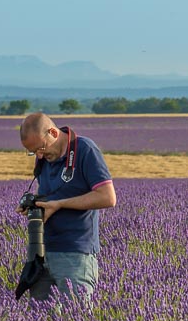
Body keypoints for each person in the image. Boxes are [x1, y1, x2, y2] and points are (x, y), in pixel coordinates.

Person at [17, 112, 116, 302]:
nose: (39, 155)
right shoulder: (45, 157)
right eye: (33, 152)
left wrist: (60, 204)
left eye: (41, 148)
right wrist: (35, 205)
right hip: (41, 253)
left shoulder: (85, 150)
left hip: (75, 254)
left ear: (53, 132)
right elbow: (53, 194)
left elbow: (107, 197)